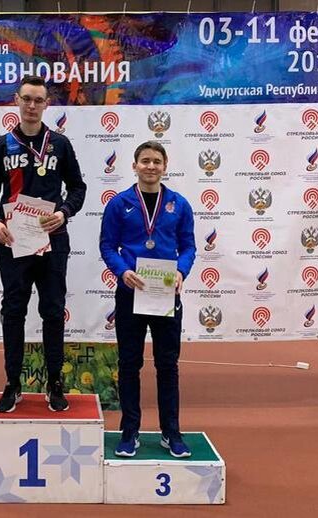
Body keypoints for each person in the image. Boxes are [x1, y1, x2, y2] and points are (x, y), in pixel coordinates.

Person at [0, 75, 87, 412]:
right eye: (26, 98)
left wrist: (64, 212)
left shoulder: (60, 144)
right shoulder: (3, 145)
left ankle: (55, 381)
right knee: (13, 311)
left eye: (38, 100)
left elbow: (78, 188)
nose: (31, 105)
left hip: (52, 239)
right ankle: (13, 383)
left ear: (47, 104)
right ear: (16, 100)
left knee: (53, 310)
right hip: (13, 242)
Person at [99, 141, 196, 458]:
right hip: (131, 293)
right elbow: (107, 246)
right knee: (129, 364)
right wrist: (122, 271)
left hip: (165, 293)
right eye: (145, 161)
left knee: (168, 365)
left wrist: (181, 271)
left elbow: (189, 246)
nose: (151, 166)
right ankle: (130, 431)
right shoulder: (119, 204)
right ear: (134, 166)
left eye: (156, 161)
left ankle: (171, 432)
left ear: (165, 166)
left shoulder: (179, 205)